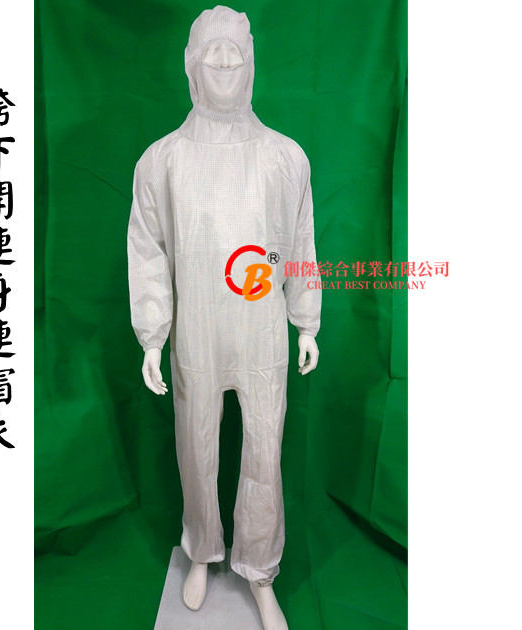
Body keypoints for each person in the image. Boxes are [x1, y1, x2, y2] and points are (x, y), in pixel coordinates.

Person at [127, 6, 321, 629]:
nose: (225, 62)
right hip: (199, 333)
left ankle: (259, 570)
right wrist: (152, 335)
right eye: (212, 51)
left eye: (236, 52)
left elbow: (299, 243)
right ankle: (202, 550)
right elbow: (149, 250)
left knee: (264, 452)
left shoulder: (285, 158)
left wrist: (306, 321)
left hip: (263, 331)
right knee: (196, 447)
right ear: (191, 65)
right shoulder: (163, 161)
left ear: (253, 63)